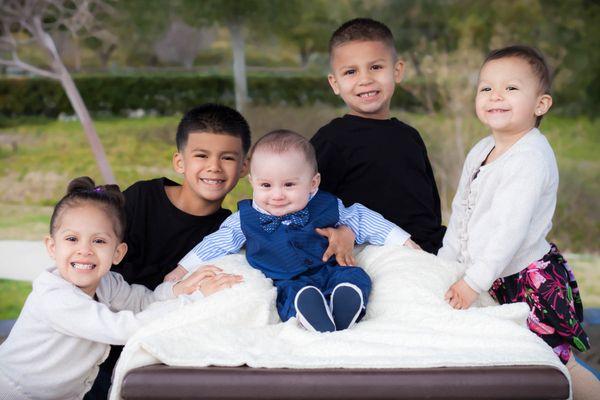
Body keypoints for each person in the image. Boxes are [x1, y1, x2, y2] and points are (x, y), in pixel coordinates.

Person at [438, 45, 598, 398]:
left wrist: (472, 282)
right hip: (489, 276)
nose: (496, 95)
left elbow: (508, 232)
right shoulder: (481, 150)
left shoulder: (530, 157)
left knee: (550, 363)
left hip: (528, 280)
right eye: (486, 88)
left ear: (541, 104)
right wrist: (445, 268)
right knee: (503, 361)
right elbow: (461, 213)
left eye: (511, 88)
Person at [168, 130, 420, 333]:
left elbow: (364, 219)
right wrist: (182, 269)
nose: (277, 195)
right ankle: (309, 313)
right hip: (286, 278)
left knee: (354, 276)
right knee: (292, 296)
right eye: (266, 185)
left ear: (312, 184)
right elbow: (216, 243)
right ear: (253, 182)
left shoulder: (327, 205)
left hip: (329, 268)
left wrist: (406, 242)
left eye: (289, 184)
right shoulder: (244, 219)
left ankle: (348, 302)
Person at [0, 177, 225, 400]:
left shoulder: (108, 283)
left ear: (118, 253)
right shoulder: (56, 298)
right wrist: (191, 303)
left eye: (99, 241)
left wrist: (177, 291)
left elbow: (142, 302)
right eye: (72, 239)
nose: (84, 250)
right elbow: (123, 329)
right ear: (52, 246)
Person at [90, 103, 249, 398]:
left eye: (227, 158)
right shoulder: (140, 199)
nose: (214, 167)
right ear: (180, 162)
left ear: (244, 167)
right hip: (100, 338)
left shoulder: (227, 233)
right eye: (201, 155)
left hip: (158, 352)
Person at [311, 17, 446, 254]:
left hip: (429, 250)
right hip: (374, 252)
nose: (365, 79)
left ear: (397, 71)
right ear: (335, 83)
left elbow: (430, 206)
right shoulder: (331, 140)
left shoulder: (410, 137)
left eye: (375, 67)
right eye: (351, 72)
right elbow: (307, 202)